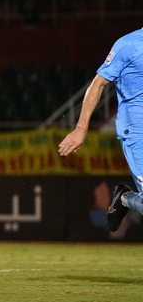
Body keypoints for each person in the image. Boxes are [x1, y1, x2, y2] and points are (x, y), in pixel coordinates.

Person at [59, 28, 143, 231]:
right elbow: (98, 85)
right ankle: (125, 198)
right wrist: (81, 128)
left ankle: (125, 198)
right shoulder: (128, 44)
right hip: (137, 131)